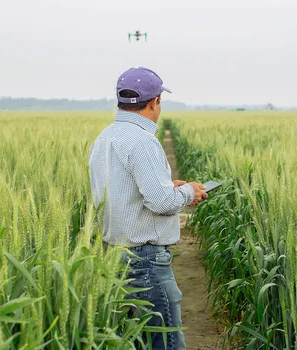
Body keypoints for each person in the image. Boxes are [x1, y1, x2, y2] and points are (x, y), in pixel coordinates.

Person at [88, 66, 208, 349]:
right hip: (147, 262)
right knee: (164, 342)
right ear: (154, 102)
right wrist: (188, 191)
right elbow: (162, 203)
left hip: (115, 256)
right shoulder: (143, 142)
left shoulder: (103, 139)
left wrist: (168, 186)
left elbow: (124, 192)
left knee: (136, 340)